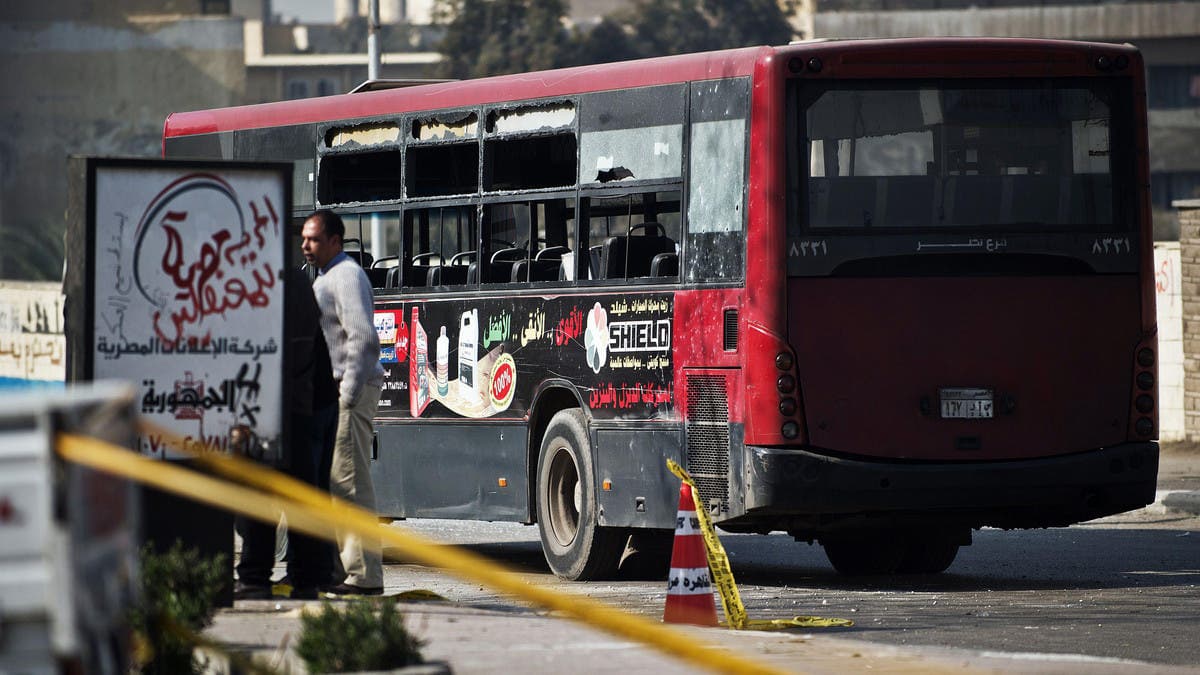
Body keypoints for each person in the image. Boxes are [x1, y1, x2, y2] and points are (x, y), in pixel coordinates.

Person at [235, 267, 336, 600]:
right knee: (297, 495)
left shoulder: (258, 278)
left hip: (271, 405)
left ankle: (256, 576)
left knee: (259, 496)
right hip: (297, 406)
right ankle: (303, 577)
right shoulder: (292, 280)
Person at [301, 209, 385, 595]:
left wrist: (347, 395)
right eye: (304, 238)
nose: (306, 245)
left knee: (349, 483)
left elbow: (364, 339)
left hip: (350, 392)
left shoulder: (346, 275)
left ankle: (364, 576)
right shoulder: (326, 276)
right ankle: (338, 570)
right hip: (334, 394)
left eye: (314, 239)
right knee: (335, 483)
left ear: (335, 240)